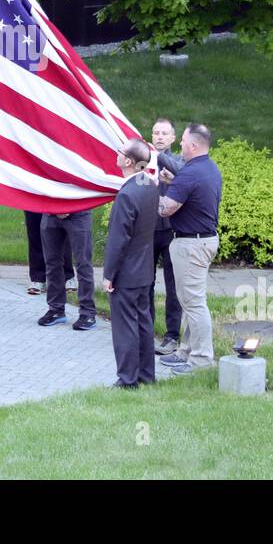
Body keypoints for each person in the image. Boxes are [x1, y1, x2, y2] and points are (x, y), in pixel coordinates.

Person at [157, 123, 222, 374]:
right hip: (203, 240)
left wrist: (148, 191)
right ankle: (185, 351)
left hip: (191, 245)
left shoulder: (190, 173)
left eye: (183, 141)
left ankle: (202, 360)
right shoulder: (208, 168)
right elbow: (194, 194)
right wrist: (175, 182)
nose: (181, 144)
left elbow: (166, 209)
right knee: (189, 300)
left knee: (194, 303)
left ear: (194, 145)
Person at [103, 139, 160, 387]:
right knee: (144, 324)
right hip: (144, 270)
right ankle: (146, 374)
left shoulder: (127, 194)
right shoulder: (149, 185)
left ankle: (127, 379)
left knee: (125, 327)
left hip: (127, 273)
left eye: (120, 152)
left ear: (128, 161)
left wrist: (108, 275)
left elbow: (118, 240)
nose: (116, 154)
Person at [149, 118, 184, 355]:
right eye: (156, 133)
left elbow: (181, 175)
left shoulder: (179, 162)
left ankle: (172, 335)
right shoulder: (145, 164)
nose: (160, 137)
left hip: (172, 232)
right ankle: (145, 331)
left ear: (173, 138)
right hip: (148, 231)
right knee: (144, 283)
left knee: (173, 287)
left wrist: (157, 156)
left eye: (164, 133)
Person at [36, 209, 96, 330]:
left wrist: (68, 208)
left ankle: (88, 313)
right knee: (52, 263)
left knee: (83, 264)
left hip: (79, 213)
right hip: (50, 212)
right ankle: (55, 310)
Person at [25, 210, 74, 295]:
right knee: (34, 226)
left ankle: (67, 276)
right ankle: (37, 278)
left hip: (59, 197)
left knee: (62, 227)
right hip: (36, 198)